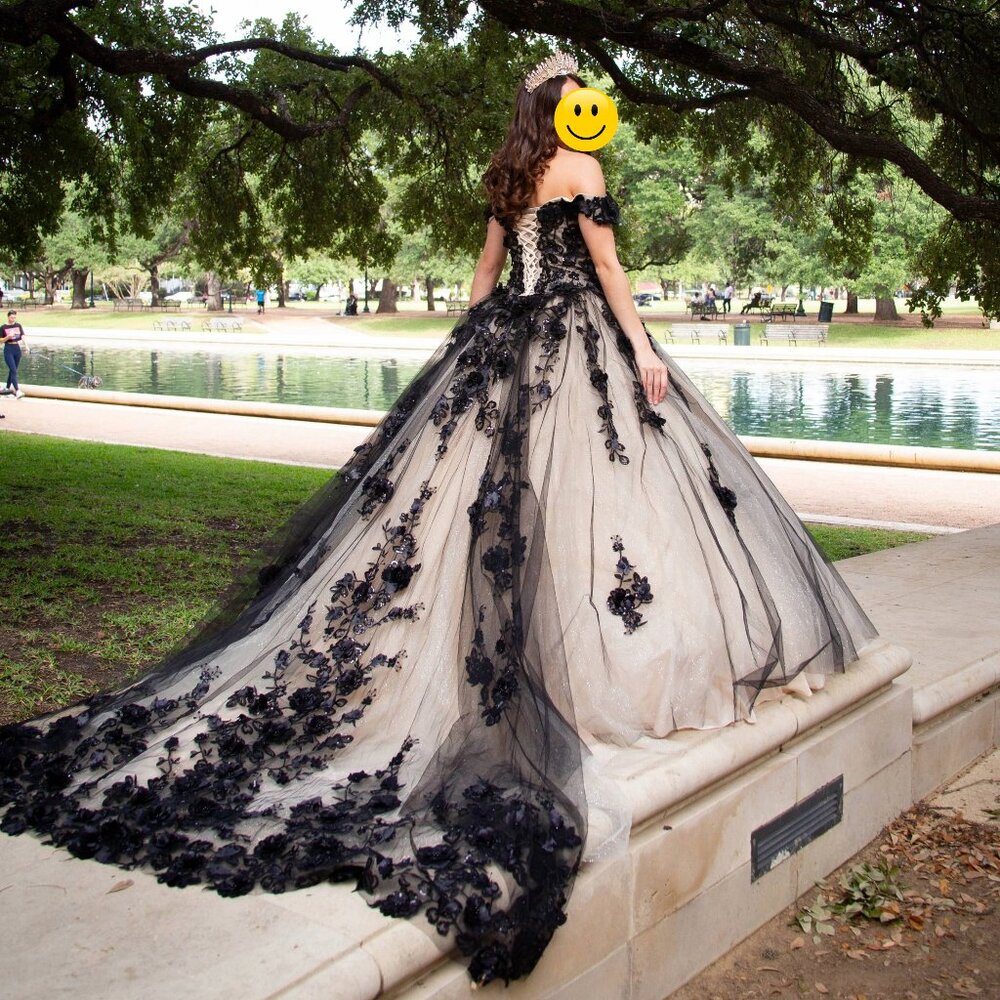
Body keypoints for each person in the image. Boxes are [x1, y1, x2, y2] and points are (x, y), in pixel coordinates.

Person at [0, 54, 877, 988]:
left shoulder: (502, 178)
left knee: (485, 515)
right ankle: (595, 676)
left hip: (505, 342)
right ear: (567, 109)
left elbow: (485, 275)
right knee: (602, 504)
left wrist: (475, 350)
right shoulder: (584, 170)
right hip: (576, 340)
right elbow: (610, 265)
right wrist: (642, 347)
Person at [1, 309, 27, 398]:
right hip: (8, 349)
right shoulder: (3, 327)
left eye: (14, 317)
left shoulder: (18, 325)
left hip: (17, 349)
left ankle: (7, 389)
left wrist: (26, 346)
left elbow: (22, 336)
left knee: (13, 370)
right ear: (8, 317)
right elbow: (0, 340)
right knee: (13, 370)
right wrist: (8, 337)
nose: (13, 319)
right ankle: (17, 391)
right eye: (12, 317)